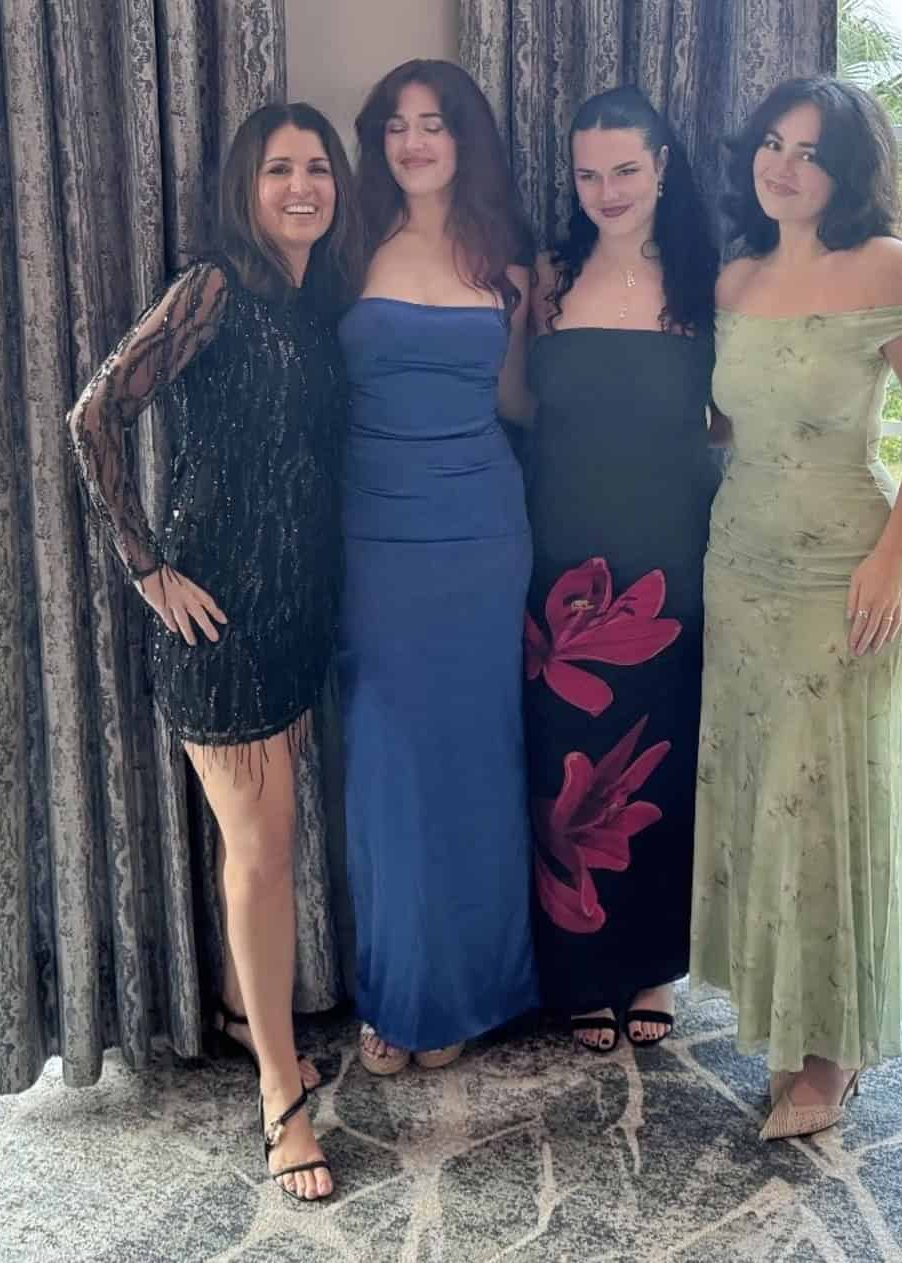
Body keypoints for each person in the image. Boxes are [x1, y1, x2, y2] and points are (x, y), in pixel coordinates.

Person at [69, 102, 362, 1202]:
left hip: (300, 616)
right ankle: (283, 1098)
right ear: (246, 188)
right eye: (280, 169)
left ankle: (248, 1014)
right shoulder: (212, 289)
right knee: (264, 852)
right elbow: (93, 416)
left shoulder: (318, 300)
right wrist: (147, 567)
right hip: (220, 627)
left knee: (267, 847)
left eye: (318, 169)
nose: (302, 187)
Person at [689, 76, 902, 1139]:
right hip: (738, 564)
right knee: (763, 796)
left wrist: (893, 558)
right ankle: (782, 1021)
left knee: (822, 804)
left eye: (809, 152)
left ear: (846, 173)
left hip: (844, 571)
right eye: (772, 143)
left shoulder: (886, 268)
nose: (783, 165)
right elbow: (727, 423)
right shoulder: (736, 276)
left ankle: (831, 1052)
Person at [337, 59, 539, 1074]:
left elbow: (519, 404)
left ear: (467, 139)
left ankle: (469, 991)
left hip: (480, 533)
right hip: (374, 537)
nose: (416, 143)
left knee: (475, 755)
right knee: (389, 764)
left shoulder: (510, 263)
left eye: (436, 124)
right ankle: (398, 991)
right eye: (397, 127)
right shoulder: (344, 247)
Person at [523, 87, 720, 1053]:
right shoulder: (547, 278)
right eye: (588, 172)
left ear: (663, 167)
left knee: (660, 762)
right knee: (566, 774)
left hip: (671, 560)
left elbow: (731, 417)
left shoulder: (706, 279)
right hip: (560, 567)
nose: (607, 189)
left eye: (626, 170)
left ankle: (649, 966)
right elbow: (518, 402)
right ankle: (579, 969)